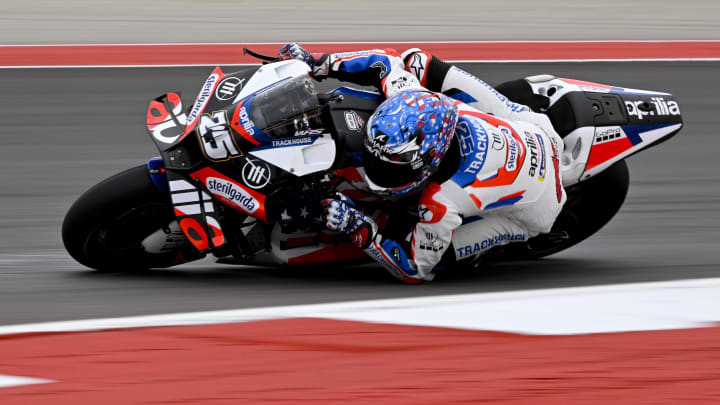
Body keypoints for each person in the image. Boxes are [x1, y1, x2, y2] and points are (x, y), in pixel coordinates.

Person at [278, 43, 567, 283]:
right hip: (532, 126)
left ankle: (501, 243)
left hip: (540, 204)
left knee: (441, 258)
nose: (376, 169)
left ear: (428, 165)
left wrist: (359, 227)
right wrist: (320, 64)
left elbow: (414, 268)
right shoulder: (411, 98)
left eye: (392, 165)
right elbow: (385, 61)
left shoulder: (440, 203)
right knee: (416, 60)